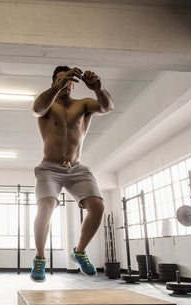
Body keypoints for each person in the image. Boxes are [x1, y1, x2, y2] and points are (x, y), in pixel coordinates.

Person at [30, 66, 114, 282]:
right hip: (49, 167)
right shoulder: (48, 103)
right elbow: (37, 109)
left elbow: (107, 107)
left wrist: (99, 88)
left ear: (74, 84)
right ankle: (40, 258)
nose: (65, 84)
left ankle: (79, 251)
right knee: (46, 205)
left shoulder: (83, 104)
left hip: (76, 168)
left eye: (68, 80)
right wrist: (57, 87)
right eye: (60, 80)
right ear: (53, 83)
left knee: (98, 206)